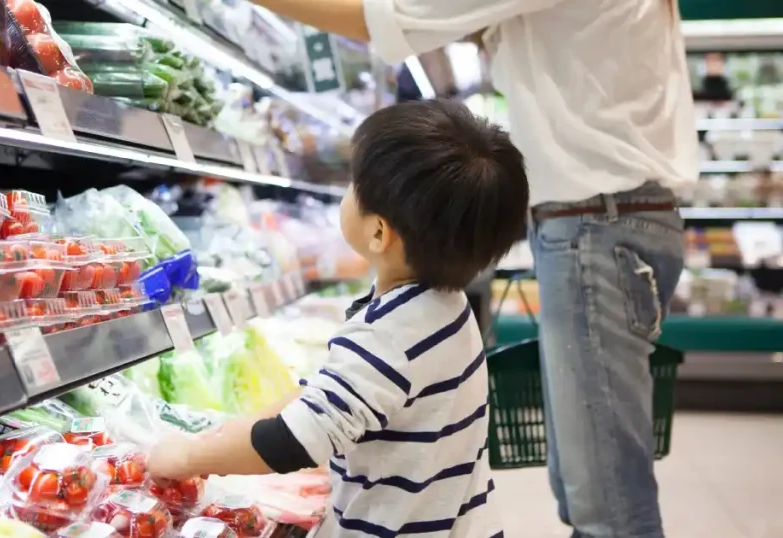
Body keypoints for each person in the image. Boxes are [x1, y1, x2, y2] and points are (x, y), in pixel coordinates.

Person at [191, 0, 693, 537]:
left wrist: (183, 455)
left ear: (381, 232)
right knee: (595, 489)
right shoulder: (443, 315)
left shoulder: (397, 331)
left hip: (599, 221)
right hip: (609, 219)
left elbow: (382, 16)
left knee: (606, 503)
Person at [149, 99, 529, 537]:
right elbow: (321, 398)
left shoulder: (387, 338)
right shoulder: (446, 305)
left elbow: (295, 440)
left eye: (354, 185)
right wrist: (225, 433)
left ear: (378, 233)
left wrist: (186, 458)